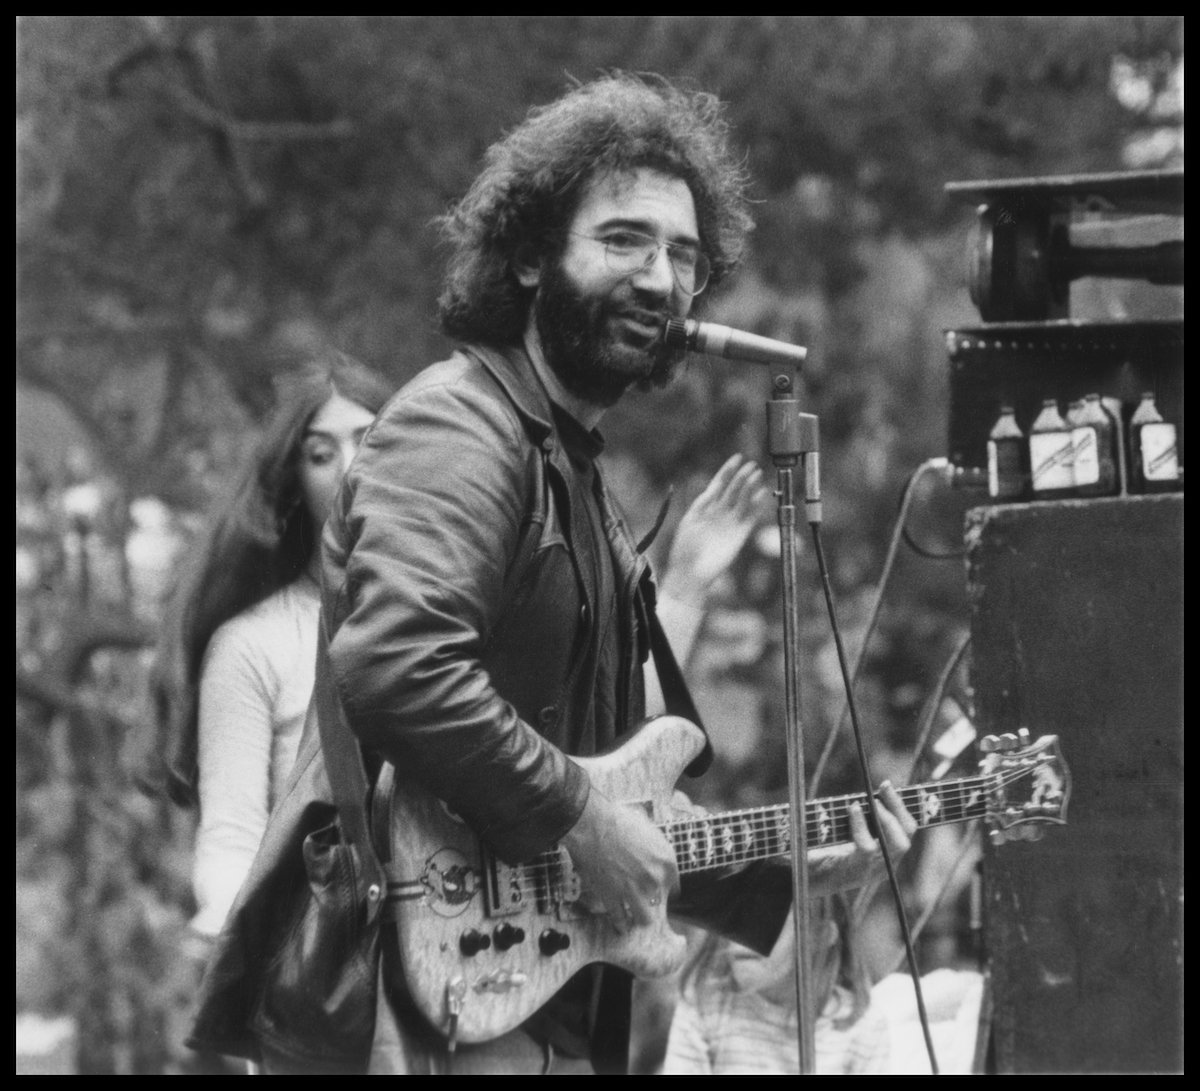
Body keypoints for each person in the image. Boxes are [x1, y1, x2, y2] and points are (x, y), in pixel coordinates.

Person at [187, 71, 916, 1076]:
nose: (661, 279)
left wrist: (782, 872)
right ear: (531, 255)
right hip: (410, 1005)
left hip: (512, 1004)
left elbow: (604, 807)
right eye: (624, 239)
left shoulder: (567, 468)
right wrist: (582, 821)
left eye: (685, 256)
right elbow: (400, 665)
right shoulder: (459, 426)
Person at [152, 350, 394, 951]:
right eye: (321, 453)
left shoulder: (462, 614)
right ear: (293, 484)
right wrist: (236, 928)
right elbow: (232, 837)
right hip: (322, 983)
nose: (350, 467)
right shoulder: (252, 645)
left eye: (370, 440)